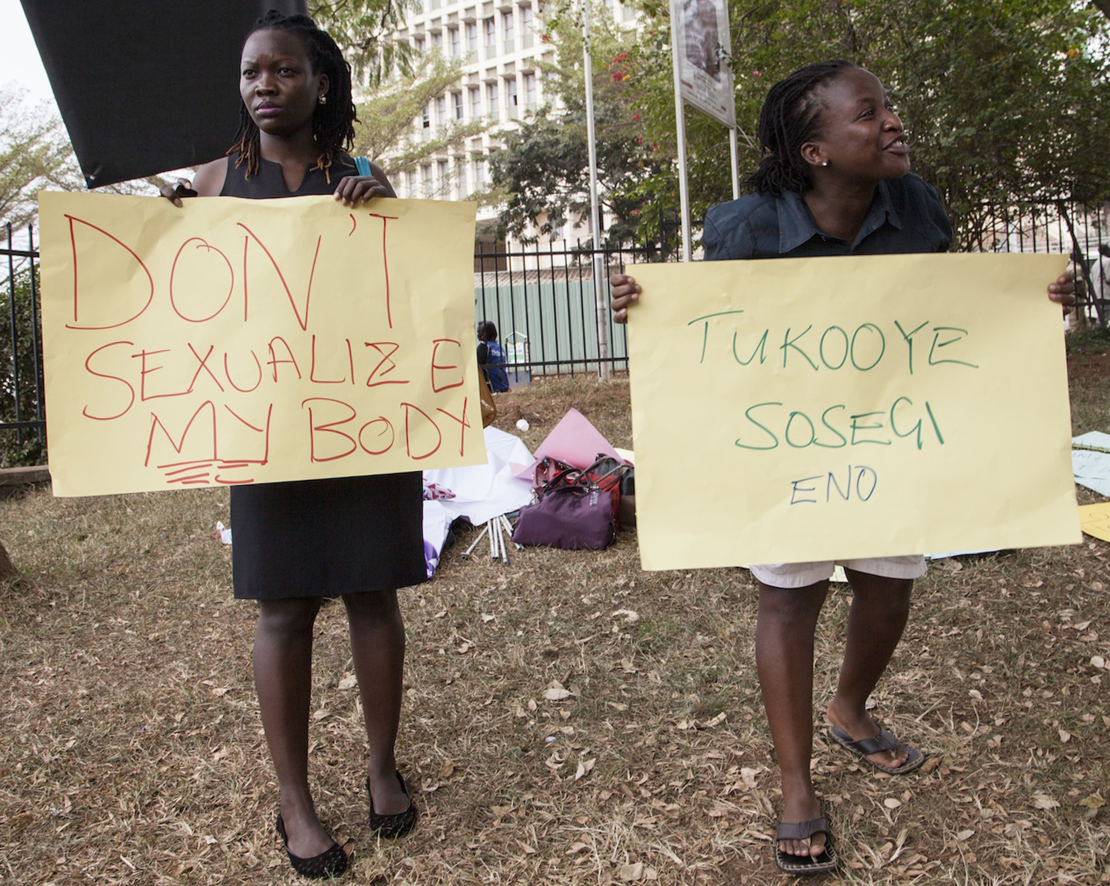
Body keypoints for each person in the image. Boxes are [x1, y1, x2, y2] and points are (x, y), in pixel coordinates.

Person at [609, 60, 1075, 875]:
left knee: (891, 584)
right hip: (787, 446)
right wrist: (644, 308)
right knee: (789, 597)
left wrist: (1032, 303)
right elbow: (709, 332)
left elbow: (954, 311)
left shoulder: (917, 205)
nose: (893, 122)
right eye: (870, 113)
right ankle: (796, 786)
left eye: (889, 107)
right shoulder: (745, 227)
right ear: (816, 151)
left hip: (890, 437)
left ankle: (849, 709)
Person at [161, 11, 424, 879]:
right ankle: (296, 801)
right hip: (266, 427)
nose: (263, 86)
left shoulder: (360, 175)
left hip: (361, 424)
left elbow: (408, 289)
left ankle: (382, 766)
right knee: (284, 609)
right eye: (250, 74)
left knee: (372, 593)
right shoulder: (209, 183)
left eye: (281, 71)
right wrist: (161, 234)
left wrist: (385, 213)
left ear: (320, 82)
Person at [476, 320, 510, 393]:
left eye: (478, 332)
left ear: (483, 334)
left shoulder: (484, 346)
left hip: (491, 386)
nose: (477, 334)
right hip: (504, 385)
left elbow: (477, 366)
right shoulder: (500, 348)